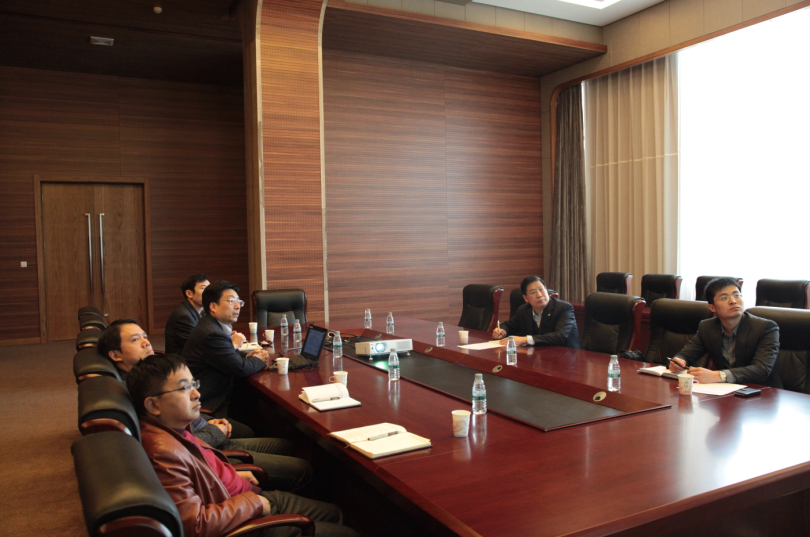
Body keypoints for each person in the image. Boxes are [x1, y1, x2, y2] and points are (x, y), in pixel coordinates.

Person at [127, 354, 358, 537]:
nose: (197, 394)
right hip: (245, 519)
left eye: (193, 384)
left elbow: (203, 471)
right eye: (184, 388)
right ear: (153, 405)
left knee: (334, 513)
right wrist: (253, 503)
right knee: (346, 531)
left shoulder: (171, 427)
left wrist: (233, 476)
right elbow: (195, 525)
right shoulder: (163, 452)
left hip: (239, 498)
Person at [99, 319, 313, 493]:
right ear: (115, 355)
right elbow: (180, 447)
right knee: (300, 468)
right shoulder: (136, 392)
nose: (146, 343)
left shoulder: (147, 376)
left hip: (205, 436)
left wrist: (207, 421)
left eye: (145, 336)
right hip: (208, 454)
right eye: (135, 340)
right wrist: (214, 431)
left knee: (284, 445)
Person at [670, 277, 781, 387]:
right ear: (712, 307)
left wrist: (719, 375)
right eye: (724, 298)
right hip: (727, 391)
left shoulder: (766, 328)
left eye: (737, 295)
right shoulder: (707, 327)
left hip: (762, 391)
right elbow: (686, 355)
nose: (733, 301)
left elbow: (761, 369)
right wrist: (678, 362)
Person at [182, 280, 269, 418]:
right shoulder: (212, 333)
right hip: (210, 404)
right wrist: (259, 359)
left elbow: (225, 355)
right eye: (231, 301)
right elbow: (240, 369)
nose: (237, 306)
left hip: (219, 394)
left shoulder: (210, 325)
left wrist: (247, 356)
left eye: (239, 302)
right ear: (213, 306)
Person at [492, 276, 580, 349]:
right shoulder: (524, 310)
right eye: (533, 292)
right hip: (539, 356)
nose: (539, 295)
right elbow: (508, 325)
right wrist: (502, 331)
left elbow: (559, 336)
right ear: (526, 298)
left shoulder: (563, 308)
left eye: (541, 289)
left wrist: (525, 339)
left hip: (566, 356)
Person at [165, 274, 210, 355]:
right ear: (189, 293)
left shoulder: (204, 311)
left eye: (209, 288)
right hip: (183, 361)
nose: (209, 292)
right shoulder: (184, 316)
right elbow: (198, 346)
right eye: (203, 288)